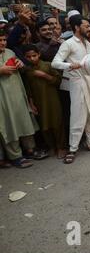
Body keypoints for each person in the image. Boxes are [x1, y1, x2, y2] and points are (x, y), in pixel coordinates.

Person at [52, 14, 90, 164]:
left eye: (89, 26)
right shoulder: (68, 43)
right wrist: (70, 65)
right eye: (86, 26)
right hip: (77, 82)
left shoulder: (88, 44)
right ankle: (72, 148)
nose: (89, 28)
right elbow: (55, 63)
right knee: (78, 116)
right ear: (77, 27)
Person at [0, 30, 44, 168]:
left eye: (4, 40)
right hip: (3, 98)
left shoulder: (10, 53)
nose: (2, 43)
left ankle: (30, 149)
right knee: (8, 124)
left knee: (24, 119)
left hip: (18, 93)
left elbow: (24, 67)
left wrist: (20, 63)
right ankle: (16, 156)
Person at [22, 44, 66, 159]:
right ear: (25, 58)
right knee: (44, 125)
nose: (32, 59)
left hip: (52, 99)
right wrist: (31, 104)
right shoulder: (27, 70)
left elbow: (58, 81)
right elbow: (28, 89)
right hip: (38, 101)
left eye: (34, 55)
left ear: (39, 54)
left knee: (57, 123)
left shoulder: (48, 65)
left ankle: (61, 147)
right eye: (28, 57)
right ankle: (51, 146)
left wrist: (45, 75)